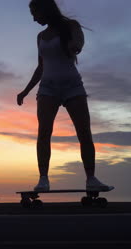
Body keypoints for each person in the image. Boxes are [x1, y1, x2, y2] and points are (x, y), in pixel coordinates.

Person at [17, 0, 114, 192]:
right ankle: (43, 179)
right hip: (48, 88)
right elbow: (41, 67)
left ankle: (91, 178)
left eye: (34, 13)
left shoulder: (71, 26)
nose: (33, 18)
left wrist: (74, 46)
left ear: (45, 10)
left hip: (72, 86)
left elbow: (78, 43)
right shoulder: (41, 37)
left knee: (84, 132)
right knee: (44, 133)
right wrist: (26, 91)